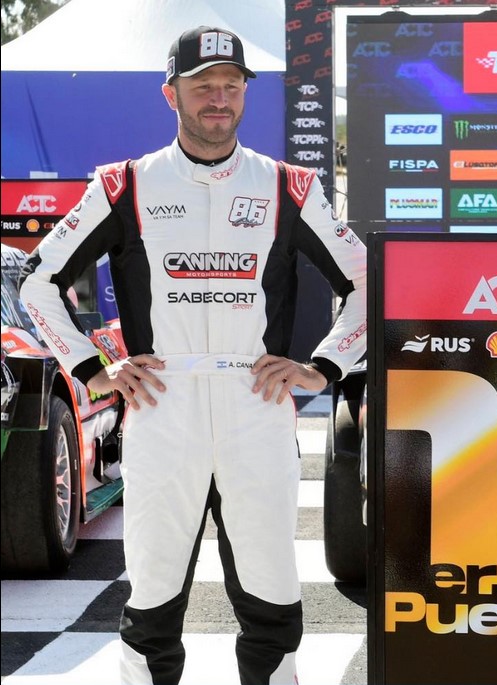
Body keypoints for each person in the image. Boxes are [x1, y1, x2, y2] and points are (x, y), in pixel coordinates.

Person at [19, 25, 367, 685]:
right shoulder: (123, 185)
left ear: (245, 94)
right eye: (203, 85)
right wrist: (93, 369)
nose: (218, 98)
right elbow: (38, 282)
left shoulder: (290, 186)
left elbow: (369, 281)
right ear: (170, 94)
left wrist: (323, 367)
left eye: (231, 85)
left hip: (256, 406)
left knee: (272, 594)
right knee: (151, 599)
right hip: (162, 407)